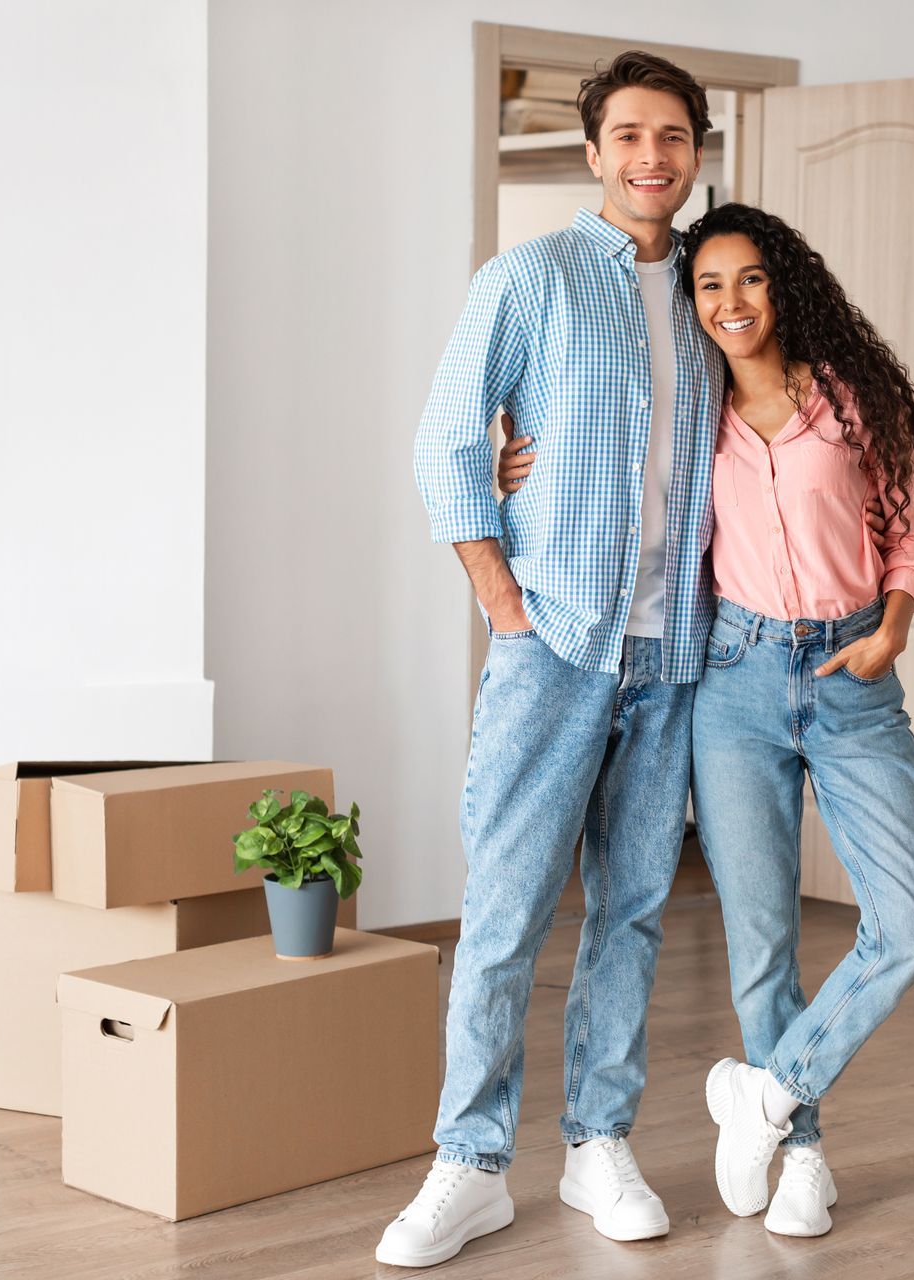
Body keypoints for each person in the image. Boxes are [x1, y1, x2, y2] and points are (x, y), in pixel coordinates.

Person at [499, 201, 914, 1239]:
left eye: (750, 278)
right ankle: (803, 1159)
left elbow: (909, 534)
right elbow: (605, 469)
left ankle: (769, 1091)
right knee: (763, 941)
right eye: (708, 284)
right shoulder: (693, 411)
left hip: (851, 674)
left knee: (908, 925)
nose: (730, 301)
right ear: (692, 301)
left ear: (782, 285)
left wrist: (894, 626)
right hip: (734, 679)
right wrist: (510, 459)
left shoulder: (851, 399)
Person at [380, 51, 723, 1268]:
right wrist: (499, 595)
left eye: (672, 135)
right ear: (593, 153)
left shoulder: (719, 293)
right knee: (505, 911)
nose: (651, 156)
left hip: (673, 652)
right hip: (555, 643)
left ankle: (597, 1142)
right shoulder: (528, 279)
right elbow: (445, 441)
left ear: (696, 152)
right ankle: (470, 1163)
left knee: (633, 911)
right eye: (628, 134)